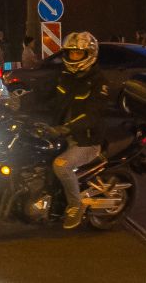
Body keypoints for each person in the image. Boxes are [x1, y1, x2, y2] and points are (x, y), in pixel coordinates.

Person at [50, 32, 106, 229]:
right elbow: (45, 97)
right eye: (70, 53)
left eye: (77, 54)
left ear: (89, 54)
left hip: (86, 141)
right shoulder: (66, 76)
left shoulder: (99, 81)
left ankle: (76, 205)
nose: (73, 57)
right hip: (63, 135)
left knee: (60, 165)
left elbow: (92, 116)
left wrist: (66, 128)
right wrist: (16, 101)